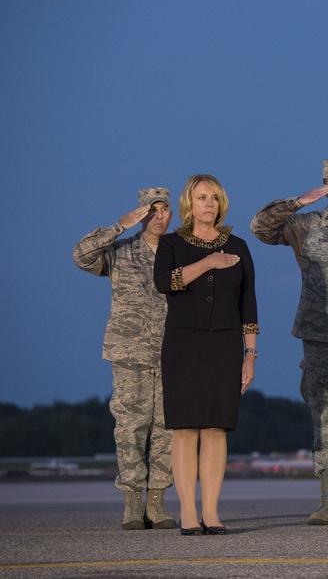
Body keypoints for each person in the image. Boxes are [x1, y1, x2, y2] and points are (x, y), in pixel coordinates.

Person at [250, 159, 328, 526]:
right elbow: (261, 228)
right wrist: (300, 201)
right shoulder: (306, 226)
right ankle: (327, 500)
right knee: (325, 415)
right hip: (321, 334)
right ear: (326, 187)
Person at [153, 174, 258, 536]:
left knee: (216, 428)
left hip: (225, 345)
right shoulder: (171, 243)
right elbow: (165, 282)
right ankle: (187, 513)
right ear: (189, 204)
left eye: (213, 198)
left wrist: (250, 355)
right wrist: (209, 263)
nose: (208, 204)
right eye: (201, 198)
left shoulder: (240, 246)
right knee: (185, 430)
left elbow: (249, 304)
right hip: (183, 344)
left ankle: (211, 512)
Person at [73, 187, 176, 530]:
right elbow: (81, 256)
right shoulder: (120, 252)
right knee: (130, 428)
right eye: (151, 210)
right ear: (139, 213)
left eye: (164, 210)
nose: (158, 216)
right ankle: (133, 504)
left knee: (166, 431)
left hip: (173, 353)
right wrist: (118, 226)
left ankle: (157, 505)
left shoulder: (179, 252)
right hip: (130, 353)